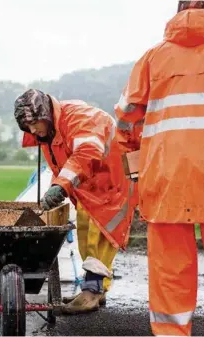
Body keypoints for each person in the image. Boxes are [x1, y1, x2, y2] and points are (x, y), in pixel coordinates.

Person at [114, 1, 204, 335]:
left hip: (167, 178)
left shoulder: (153, 58)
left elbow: (124, 120)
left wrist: (139, 160)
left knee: (171, 269)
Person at [14, 89, 137, 314]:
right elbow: (62, 162)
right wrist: (58, 184)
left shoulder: (79, 119)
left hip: (112, 182)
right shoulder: (51, 129)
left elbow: (86, 153)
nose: (32, 130)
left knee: (100, 236)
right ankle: (95, 291)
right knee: (85, 234)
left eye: (34, 124)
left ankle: (92, 291)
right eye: (27, 127)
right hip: (90, 185)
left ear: (46, 115)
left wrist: (60, 186)